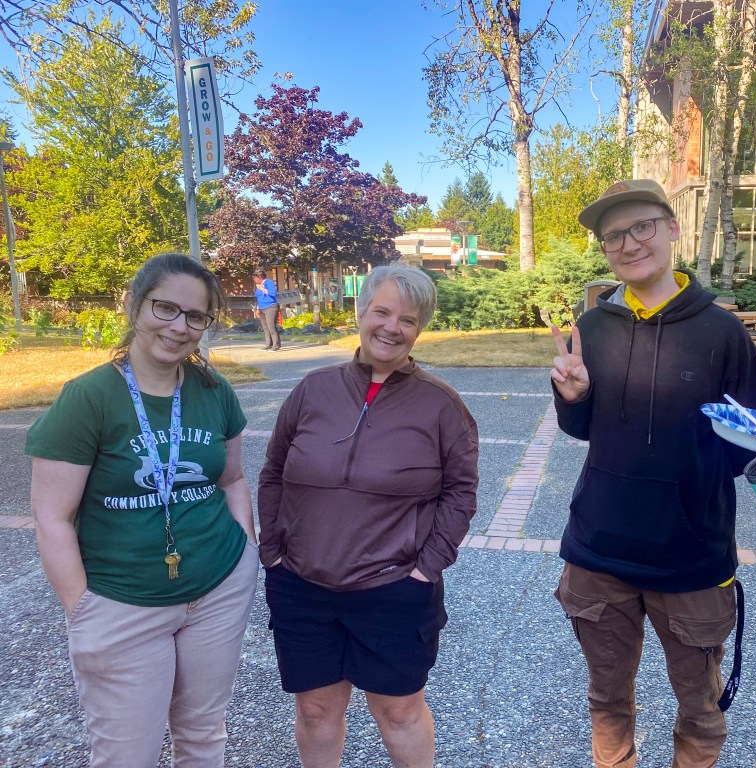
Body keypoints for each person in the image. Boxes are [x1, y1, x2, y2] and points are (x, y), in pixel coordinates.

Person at [550, 179, 756, 768]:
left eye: (641, 226)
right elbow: (583, 429)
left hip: (691, 557)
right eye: (612, 236)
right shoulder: (590, 328)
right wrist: (571, 397)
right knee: (607, 701)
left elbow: (749, 446)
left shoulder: (724, 333)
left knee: (699, 709)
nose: (628, 243)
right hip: (599, 551)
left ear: (673, 228)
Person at [26, 253, 259, 766]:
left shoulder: (212, 390)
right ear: (133, 304)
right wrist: (82, 609)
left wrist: (246, 552)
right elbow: (52, 517)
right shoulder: (89, 398)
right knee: (127, 754)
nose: (179, 327)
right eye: (165, 308)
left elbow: (234, 477)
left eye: (195, 316)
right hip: (122, 603)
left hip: (218, 591)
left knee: (202, 736)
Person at [257, 264, 478, 768]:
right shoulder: (312, 390)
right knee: (316, 708)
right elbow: (272, 472)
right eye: (382, 311)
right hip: (301, 585)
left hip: (393, 588)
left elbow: (461, 492)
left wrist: (426, 568)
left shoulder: (440, 404)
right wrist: (273, 552)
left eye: (408, 319)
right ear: (361, 313)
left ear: (419, 330)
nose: (391, 327)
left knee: (398, 711)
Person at [252, 269, 281, 351]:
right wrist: (257, 309)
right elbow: (258, 298)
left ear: (260, 276)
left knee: (271, 326)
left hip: (270, 307)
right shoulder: (258, 286)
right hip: (262, 308)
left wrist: (262, 288)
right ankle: (268, 344)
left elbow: (273, 293)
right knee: (265, 327)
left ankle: (276, 345)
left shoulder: (268, 282)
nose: (254, 280)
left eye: (255, 278)